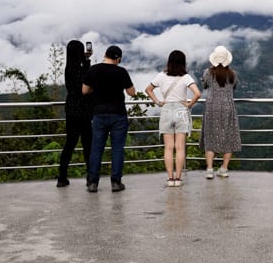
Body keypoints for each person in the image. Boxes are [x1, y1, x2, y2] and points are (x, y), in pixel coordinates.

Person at [82, 45, 140, 193]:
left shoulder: (93, 70)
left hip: (99, 114)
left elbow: (84, 91)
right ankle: (116, 182)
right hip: (118, 114)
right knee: (117, 149)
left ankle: (93, 183)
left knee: (96, 149)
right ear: (118, 58)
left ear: (105, 55)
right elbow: (132, 92)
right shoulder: (121, 72)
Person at [145, 50, 201, 187]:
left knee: (168, 147)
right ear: (183, 62)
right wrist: (189, 104)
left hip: (166, 110)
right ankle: (178, 179)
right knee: (180, 147)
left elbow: (148, 89)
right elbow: (198, 94)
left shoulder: (161, 76)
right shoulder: (186, 77)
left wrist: (158, 102)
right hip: (181, 110)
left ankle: (170, 179)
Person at [200, 45, 242, 179]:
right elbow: (234, 86)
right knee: (229, 137)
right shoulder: (233, 74)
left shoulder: (208, 72)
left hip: (212, 107)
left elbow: (205, 85)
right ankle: (224, 168)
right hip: (228, 107)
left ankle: (210, 169)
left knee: (210, 136)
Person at [57, 40, 94, 187]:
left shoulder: (68, 68)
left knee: (69, 144)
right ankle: (90, 177)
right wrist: (87, 61)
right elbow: (87, 83)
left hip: (71, 109)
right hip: (84, 110)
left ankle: (62, 177)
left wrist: (85, 60)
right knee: (88, 145)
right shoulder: (82, 69)